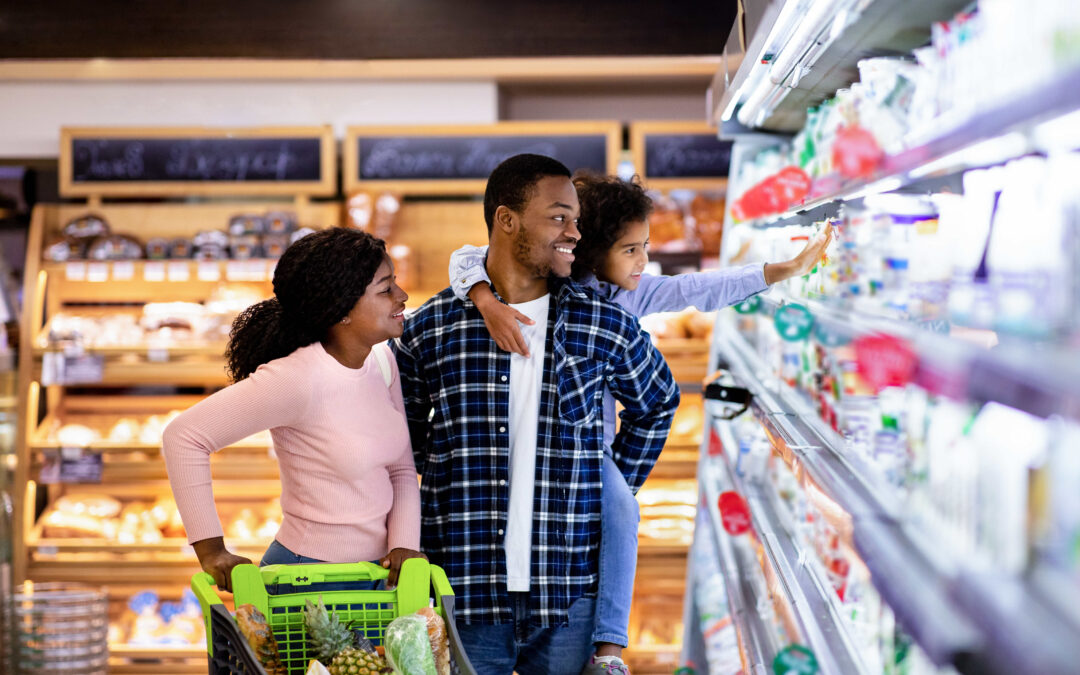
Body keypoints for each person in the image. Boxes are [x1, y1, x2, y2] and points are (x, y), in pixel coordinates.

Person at [448, 172, 832, 673]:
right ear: (590, 248)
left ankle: (608, 645)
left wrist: (779, 271)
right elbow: (464, 258)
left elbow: (697, 288)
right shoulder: (547, 277)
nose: (643, 261)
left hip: (590, 453)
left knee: (623, 512)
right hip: (521, 447)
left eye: (644, 248)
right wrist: (484, 299)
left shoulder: (631, 296)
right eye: (631, 250)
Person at [394, 154, 680, 675]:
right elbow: (402, 443)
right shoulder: (432, 330)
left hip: (567, 598)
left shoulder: (602, 325)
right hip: (465, 594)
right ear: (507, 220)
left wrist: (611, 482)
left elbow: (658, 402)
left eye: (575, 218)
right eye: (558, 217)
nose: (575, 231)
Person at [163, 228, 424, 593]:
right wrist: (211, 550)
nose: (402, 296)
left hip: (377, 578)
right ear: (342, 310)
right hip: (309, 580)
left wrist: (404, 547)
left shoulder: (381, 361)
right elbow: (183, 437)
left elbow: (400, 468)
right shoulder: (297, 378)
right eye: (385, 290)